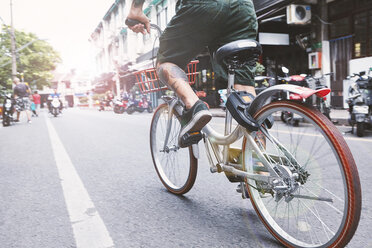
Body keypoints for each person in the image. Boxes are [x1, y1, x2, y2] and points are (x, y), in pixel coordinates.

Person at [127, 0, 258, 143]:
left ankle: (193, 105)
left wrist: (136, 9)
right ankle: (258, 153)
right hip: (244, 6)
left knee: (166, 62)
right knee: (244, 84)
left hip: (206, 5)